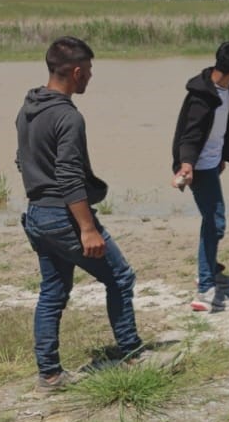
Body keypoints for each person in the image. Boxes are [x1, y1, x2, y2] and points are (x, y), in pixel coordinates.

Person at [15, 36, 144, 391]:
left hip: (37, 215)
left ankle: (50, 374)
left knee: (52, 292)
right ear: (75, 72)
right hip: (63, 217)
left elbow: (22, 160)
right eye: (88, 71)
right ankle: (131, 352)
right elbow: (69, 176)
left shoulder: (28, 108)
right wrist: (88, 229)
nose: (90, 77)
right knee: (120, 277)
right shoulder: (67, 116)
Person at [171, 41, 229, 312]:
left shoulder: (223, 90)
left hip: (210, 163)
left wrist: (223, 157)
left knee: (213, 220)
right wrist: (186, 165)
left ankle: (210, 270)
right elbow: (190, 134)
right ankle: (205, 288)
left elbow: (226, 126)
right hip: (197, 167)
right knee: (215, 221)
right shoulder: (202, 96)